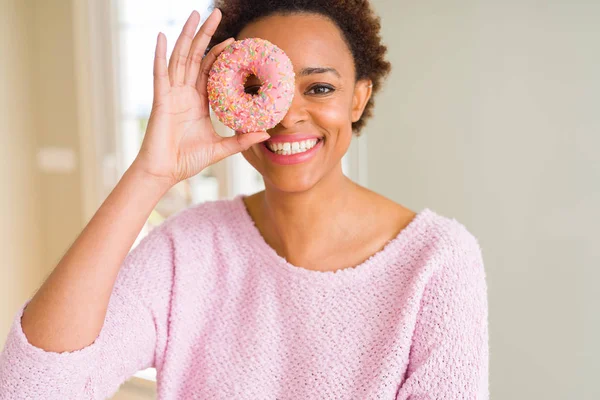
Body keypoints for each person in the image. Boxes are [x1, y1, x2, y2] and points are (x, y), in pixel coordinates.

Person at [0, 1, 489, 399]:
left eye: (319, 87)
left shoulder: (437, 261)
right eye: (260, 88)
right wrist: (149, 174)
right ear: (226, 98)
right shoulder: (186, 251)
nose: (287, 115)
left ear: (358, 99)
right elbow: (34, 389)